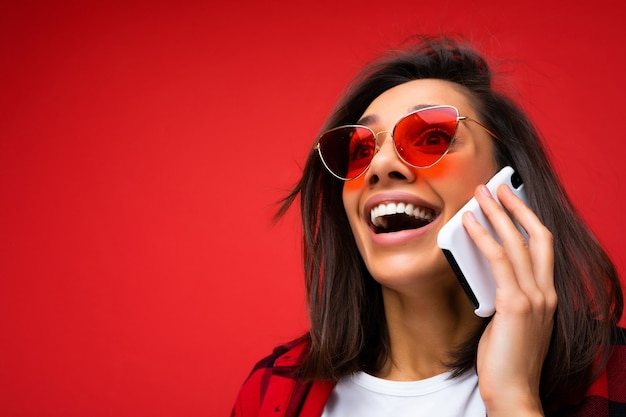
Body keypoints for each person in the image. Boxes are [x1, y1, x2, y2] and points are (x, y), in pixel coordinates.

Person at [231, 35, 625, 417]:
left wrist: (514, 401)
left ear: (508, 182)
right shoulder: (271, 388)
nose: (380, 166)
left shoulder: (614, 374)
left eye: (433, 136)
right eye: (360, 150)